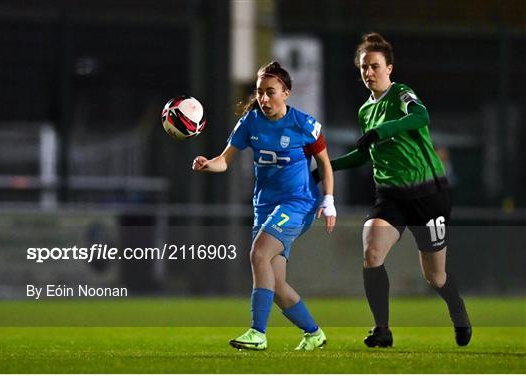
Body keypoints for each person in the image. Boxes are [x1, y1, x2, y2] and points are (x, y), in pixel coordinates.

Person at [318, 33, 472, 347]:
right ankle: (382, 330)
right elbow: (364, 154)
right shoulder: (365, 111)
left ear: (389, 67)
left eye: (374, 66)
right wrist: (325, 167)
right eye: (364, 67)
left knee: (435, 277)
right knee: (372, 251)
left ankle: (458, 311)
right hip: (390, 196)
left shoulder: (401, 94)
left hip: (428, 194)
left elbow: (421, 116)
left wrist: (381, 131)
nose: (369, 73)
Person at [193, 61, 336, 351]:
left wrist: (329, 200)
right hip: (265, 206)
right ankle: (314, 334)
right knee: (277, 285)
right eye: (260, 92)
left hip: (298, 204)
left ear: (286, 92)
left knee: (258, 253)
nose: (264, 99)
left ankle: (257, 333)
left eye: (271, 92)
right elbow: (225, 160)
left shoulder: (303, 124)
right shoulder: (250, 122)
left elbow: (324, 163)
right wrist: (209, 164)